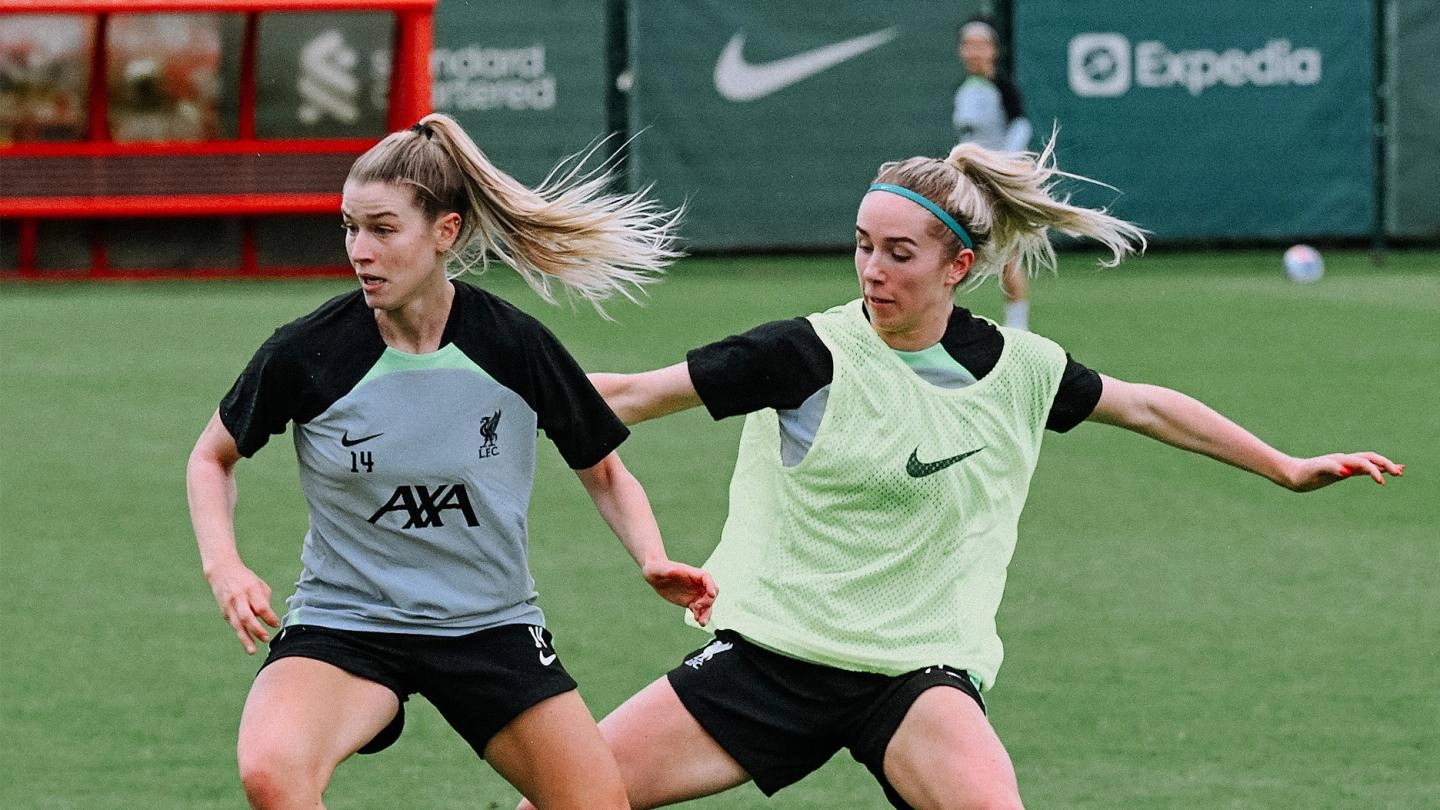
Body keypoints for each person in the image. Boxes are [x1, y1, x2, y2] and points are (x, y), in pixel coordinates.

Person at [521, 138, 1404, 810]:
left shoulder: (1022, 369)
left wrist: (1284, 467)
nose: (873, 269)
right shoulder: (801, 352)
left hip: (916, 671)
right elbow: (629, 394)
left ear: (960, 267)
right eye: (863, 245)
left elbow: (1143, 405)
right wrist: (471, 399)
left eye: (900, 254)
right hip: (770, 659)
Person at [186, 112, 717, 810]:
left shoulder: (512, 345)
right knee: (271, 771)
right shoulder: (307, 352)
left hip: (490, 626)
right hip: (348, 624)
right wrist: (225, 566)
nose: (359, 250)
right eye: (349, 227)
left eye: (382, 228)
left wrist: (651, 556)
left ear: (446, 232)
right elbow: (211, 457)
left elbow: (605, 469)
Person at [953, 17, 1034, 331]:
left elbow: (1020, 125)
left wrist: (1000, 165)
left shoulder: (1001, 86)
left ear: (993, 50)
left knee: (1007, 256)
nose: (973, 52)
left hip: (994, 182)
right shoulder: (964, 91)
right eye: (968, 45)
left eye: (980, 45)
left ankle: (1018, 330)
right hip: (967, 182)